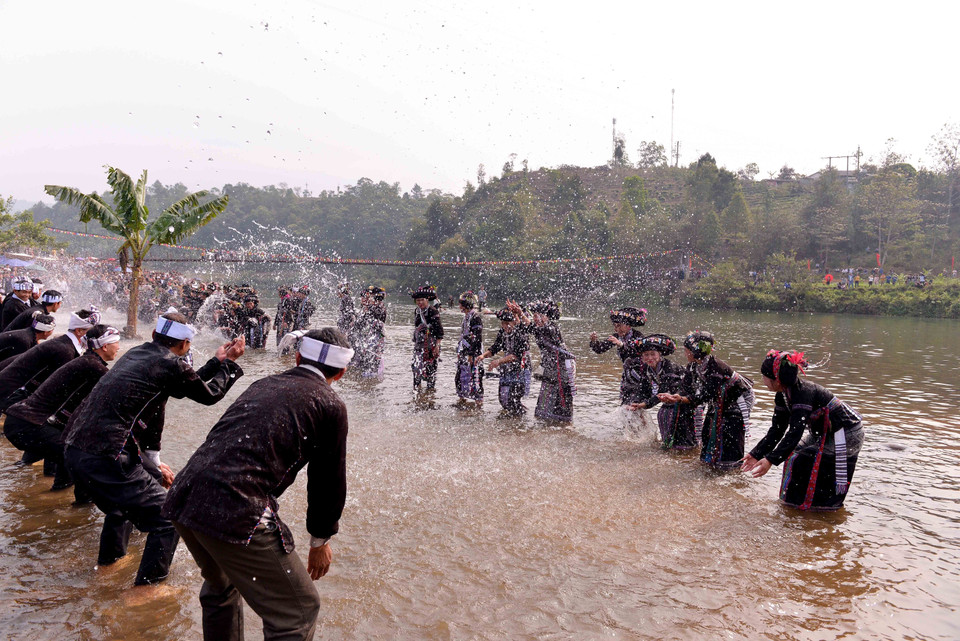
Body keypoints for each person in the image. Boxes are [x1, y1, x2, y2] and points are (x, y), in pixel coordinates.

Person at [162, 328, 351, 641]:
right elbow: (327, 479)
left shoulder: (265, 383)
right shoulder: (330, 405)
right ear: (341, 373)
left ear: (298, 358)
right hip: (235, 507)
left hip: (184, 494)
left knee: (221, 585)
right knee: (298, 611)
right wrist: (320, 540)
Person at [63, 311, 244, 586]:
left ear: (153, 335)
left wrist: (216, 362)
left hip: (76, 450)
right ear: (184, 345)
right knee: (169, 518)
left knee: (122, 506)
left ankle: (109, 566)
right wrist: (229, 364)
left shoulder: (137, 353)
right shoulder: (170, 365)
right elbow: (209, 395)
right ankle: (147, 591)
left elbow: (182, 384)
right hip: (108, 455)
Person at [742, 350, 865, 511]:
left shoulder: (803, 394)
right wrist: (757, 454)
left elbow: (795, 433)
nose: (763, 380)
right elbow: (777, 429)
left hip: (845, 433)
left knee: (802, 460)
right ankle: (793, 508)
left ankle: (816, 508)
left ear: (777, 381)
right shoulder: (782, 395)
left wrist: (770, 460)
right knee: (794, 457)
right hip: (823, 433)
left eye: (764, 376)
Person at [3, 325, 121, 491]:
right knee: (74, 457)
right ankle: (57, 499)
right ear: (105, 346)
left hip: (21, 421)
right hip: (29, 424)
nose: (119, 347)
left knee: (59, 446)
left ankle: (46, 485)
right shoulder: (94, 368)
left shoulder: (85, 361)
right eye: (116, 343)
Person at [665, 331, 754, 470]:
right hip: (719, 399)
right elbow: (685, 388)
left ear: (695, 351)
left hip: (737, 400)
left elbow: (706, 395)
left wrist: (683, 399)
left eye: (686, 350)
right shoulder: (693, 366)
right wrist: (673, 396)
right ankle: (707, 463)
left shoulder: (715, 366)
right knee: (708, 429)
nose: (685, 353)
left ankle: (731, 468)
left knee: (729, 431)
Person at [0, 308, 99, 413]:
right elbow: (54, 386)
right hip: (9, 391)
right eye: (91, 332)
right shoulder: (65, 351)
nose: (94, 336)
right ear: (79, 331)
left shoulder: (64, 344)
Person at [625, 335, 697, 450]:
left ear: (659, 354)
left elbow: (663, 391)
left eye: (653, 354)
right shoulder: (647, 369)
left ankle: (687, 449)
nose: (650, 358)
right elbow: (643, 391)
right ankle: (673, 449)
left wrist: (644, 404)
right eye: (646, 355)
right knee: (664, 415)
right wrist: (635, 403)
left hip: (690, 400)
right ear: (642, 357)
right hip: (673, 400)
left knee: (689, 436)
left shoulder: (669, 367)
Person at [511, 299, 575, 422]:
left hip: (562, 371)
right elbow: (524, 328)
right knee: (542, 409)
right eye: (534, 315)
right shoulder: (539, 328)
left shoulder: (551, 328)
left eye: (538, 315)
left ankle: (566, 429)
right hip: (550, 369)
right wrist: (516, 314)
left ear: (546, 316)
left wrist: (521, 314)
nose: (535, 318)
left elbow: (533, 328)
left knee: (562, 405)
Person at [478, 307, 530, 415]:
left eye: (507, 323)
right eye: (503, 323)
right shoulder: (503, 332)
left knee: (513, 398)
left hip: (520, 370)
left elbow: (516, 355)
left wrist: (498, 361)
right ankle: (512, 420)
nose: (505, 326)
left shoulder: (521, 333)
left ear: (514, 321)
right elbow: (495, 347)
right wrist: (483, 356)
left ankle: (518, 420)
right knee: (503, 398)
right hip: (507, 368)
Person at [350, 286, 387, 378]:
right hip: (366, 338)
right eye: (363, 297)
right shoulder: (366, 308)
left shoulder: (378, 308)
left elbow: (378, 323)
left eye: (367, 297)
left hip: (376, 338)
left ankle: (372, 377)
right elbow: (359, 325)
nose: (363, 299)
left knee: (373, 358)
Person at [410, 285, 443, 390]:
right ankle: (417, 392)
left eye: (422, 300)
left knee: (430, 371)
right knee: (416, 368)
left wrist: (437, 346)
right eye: (418, 300)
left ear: (427, 300)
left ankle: (430, 393)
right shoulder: (417, 311)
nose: (420, 302)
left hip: (431, 346)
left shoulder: (433, 311)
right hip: (419, 345)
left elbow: (439, 331)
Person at [455, 291, 484, 405]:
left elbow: (477, 338)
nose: (459, 306)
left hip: (473, 352)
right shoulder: (467, 317)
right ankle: (462, 400)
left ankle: (478, 403)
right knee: (460, 377)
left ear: (466, 305)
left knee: (475, 378)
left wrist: (471, 354)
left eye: (460, 304)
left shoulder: (475, 317)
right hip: (464, 351)